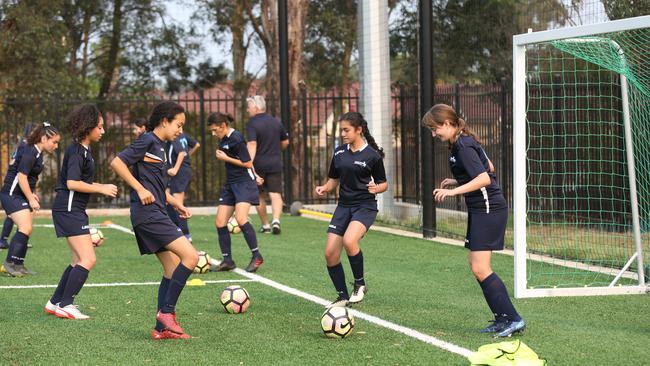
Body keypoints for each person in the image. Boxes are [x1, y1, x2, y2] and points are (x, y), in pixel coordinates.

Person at [422, 103, 525, 338]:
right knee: (476, 266)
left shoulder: (463, 145)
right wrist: (457, 181)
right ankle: (503, 319)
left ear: (447, 123)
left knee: (480, 267)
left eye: (434, 128)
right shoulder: (462, 141)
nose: (433, 133)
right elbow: (489, 167)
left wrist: (453, 192)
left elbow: (484, 178)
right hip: (482, 208)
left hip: (488, 209)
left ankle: (513, 319)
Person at [110, 101, 198, 340]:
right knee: (191, 257)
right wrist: (139, 188)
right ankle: (167, 314)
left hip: (157, 210)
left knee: (171, 268)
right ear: (165, 121)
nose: (180, 130)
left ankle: (162, 329)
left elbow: (157, 187)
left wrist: (175, 202)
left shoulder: (159, 147)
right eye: (178, 125)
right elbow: (117, 162)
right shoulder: (148, 140)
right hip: (148, 214)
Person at [46, 104, 118, 319]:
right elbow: (72, 183)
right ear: (88, 127)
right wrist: (100, 188)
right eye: (100, 127)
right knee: (88, 259)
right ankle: (66, 305)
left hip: (72, 209)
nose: (103, 131)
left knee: (78, 260)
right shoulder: (77, 151)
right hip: (68, 210)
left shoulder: (84, 151)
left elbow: (80, 181)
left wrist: (99, 186)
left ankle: (55, 302)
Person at [314, 112, 388, 307]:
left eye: (346, 130)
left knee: (349, 240)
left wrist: (376, 188)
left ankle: (360, 284)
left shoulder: (372, 155)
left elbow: (384, 184)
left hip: (365, 206)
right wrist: (325, 187)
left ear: (358, 130)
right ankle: (342, 296)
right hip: (343, 207)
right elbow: (333, 179)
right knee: (330, 254)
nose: (343, 134)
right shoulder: (339, 152)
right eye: (341, 130)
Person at [0, 122, 60, 276]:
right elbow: (21, 177)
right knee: (25, 228)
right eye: (54, 142)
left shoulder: (38, 153)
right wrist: (30, 199)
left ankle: (18, 264)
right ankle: (9, 264)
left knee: (27, 229)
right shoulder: (30, 152)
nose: (56, 146)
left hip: (19, 194)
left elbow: (29, 178)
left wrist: (31, 194)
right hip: (11, 194)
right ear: (43, 138)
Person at [207, 112, 264, 273]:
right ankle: (227, 260)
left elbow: (247, 162)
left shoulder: (236, 138)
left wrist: (226, 159)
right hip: (230, 184)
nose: (213, 133)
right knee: (220, 222)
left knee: (240, 218)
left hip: (244, 183)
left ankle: (257, 255)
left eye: (214, 130)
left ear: (223, 126)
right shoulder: (223, 139)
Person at [245, 95, 289, 234]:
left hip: (258, 165)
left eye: (249, 107)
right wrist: (276, 151)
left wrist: (248, 162)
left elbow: (252, 144)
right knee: (276, 193)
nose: (247, 110)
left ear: (256, 107)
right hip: (274, 163)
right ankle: (276, 220)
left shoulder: (252, 124)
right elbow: (285, 142)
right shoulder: (276, 122)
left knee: (259, 196)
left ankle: (265, 225)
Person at [0, 124, 33, 250]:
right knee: (15, 213)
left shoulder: (23, 145)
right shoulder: (27, 147)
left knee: (23, 212)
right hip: (14, 185)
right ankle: (4, 240)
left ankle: (15, 240)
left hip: (15, 184)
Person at [165, 132, 200, 241]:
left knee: (177, 204)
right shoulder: (183, 135)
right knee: (167, 200)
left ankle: (186, 234)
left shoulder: (174, 135)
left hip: (179, 172)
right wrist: (188, 156)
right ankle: (174, 230)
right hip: (182, 171)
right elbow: (197, 145)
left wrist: (175, 168)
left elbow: (181, 153)